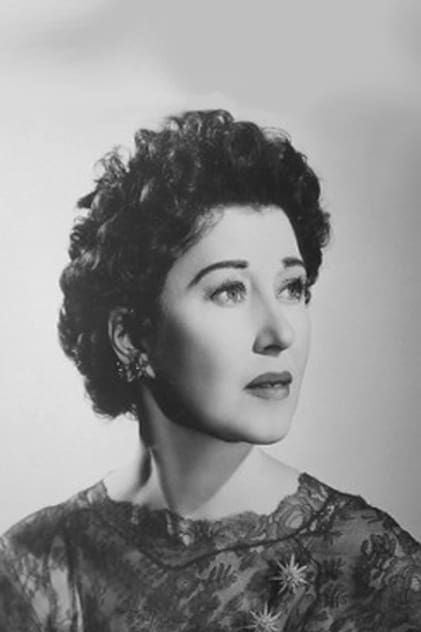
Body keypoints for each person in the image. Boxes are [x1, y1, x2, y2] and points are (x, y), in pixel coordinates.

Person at [0, 109, 420, 632]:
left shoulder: (373, 571)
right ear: (132, 336)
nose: (280, 332)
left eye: (292, 288)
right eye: (228, 291)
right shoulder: (34, 565)